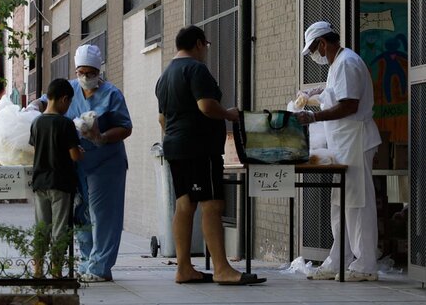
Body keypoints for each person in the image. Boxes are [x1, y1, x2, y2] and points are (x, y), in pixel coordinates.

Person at [155, 25, 266, 285]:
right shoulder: (196, 69)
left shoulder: (165, 75)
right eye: (205, 45)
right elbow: (205, 105)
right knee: (212, 204)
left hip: (175, 146)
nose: (205, 50)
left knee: (184, 204)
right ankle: (222, 269)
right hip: (200, 148)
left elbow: (162, 118)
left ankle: (184, 268)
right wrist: (229, 114)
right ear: (198, 44)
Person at [31, 44, 133, 282]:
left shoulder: (112, 94)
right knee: (81, 214)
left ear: (99, 71)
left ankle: (100, 267)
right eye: (81, 72)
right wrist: (33, 106)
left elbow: (126, 127)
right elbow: (46, 102)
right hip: (77, 165)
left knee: (103, 214)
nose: (85, 77)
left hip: (106, 162)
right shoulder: (70, 89)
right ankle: (87, 262)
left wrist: (101, 137)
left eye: (90, 73)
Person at [297, 21, 382, 282]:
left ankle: (366, 263)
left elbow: (349, 105)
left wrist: (313, 117)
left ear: (323, 43)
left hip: (355, 140)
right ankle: (339, 259)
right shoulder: (338, 64)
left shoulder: (346, 62)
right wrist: (318, 92)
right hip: (343, 144)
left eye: (314, 50)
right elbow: (337, 93)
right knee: (342, 203)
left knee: (358, 203)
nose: (316, 55)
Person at [29, 78, 84, 278]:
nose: (68, 106)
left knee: (42, 227)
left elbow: (36, 150)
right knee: (60, 228)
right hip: (61, 182)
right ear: (63, 99)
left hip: (40, 182)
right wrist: (80, 151)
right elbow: (74, 155)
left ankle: (37, 270)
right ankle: (57, 270)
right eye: (69, 102)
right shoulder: (66, 123)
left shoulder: (36, 123)